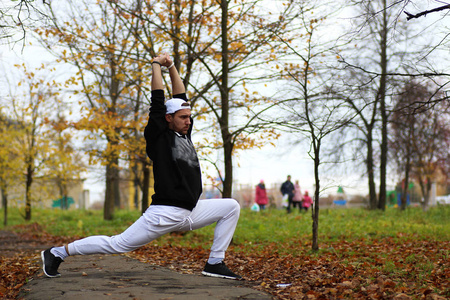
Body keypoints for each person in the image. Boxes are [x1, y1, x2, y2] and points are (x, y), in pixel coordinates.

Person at [41, 53, 242, 280]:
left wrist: (172, 66)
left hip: (190, 210)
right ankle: (57, 253)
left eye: (189, 117)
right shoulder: (159, 135)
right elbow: (157, 100)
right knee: (118, 244)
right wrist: (156, 64)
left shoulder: (184, 132)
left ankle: (215, 262)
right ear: (167, 118)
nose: (188, 121)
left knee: (231, 207)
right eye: (183, 117)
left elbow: (181, 95)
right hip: (165, 212)